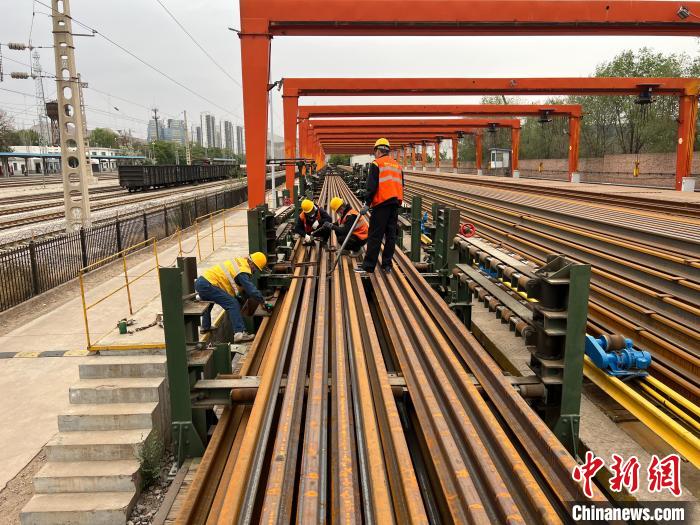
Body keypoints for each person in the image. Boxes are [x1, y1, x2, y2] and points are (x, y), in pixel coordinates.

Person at [195, 252, 271, 343]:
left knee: (209, 301)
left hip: (202, 282)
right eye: (255, 267)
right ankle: (239, 333)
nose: (254, 270)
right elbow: (251, 290)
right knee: (232, 303)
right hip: (208, 284)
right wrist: (263, 301)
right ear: (251, 263)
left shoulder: (241, 262)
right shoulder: (242, 270)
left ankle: (205, 326)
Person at [355, 138, 404, 274]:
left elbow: (371, 186)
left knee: (375, 235)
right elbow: (401, 185)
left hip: (381, 204)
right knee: (390, 236)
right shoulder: (397, 166)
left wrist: (367, 203)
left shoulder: (377, 163)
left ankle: (368, 266)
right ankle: (387, 265)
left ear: (377, 151)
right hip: (395, 204)